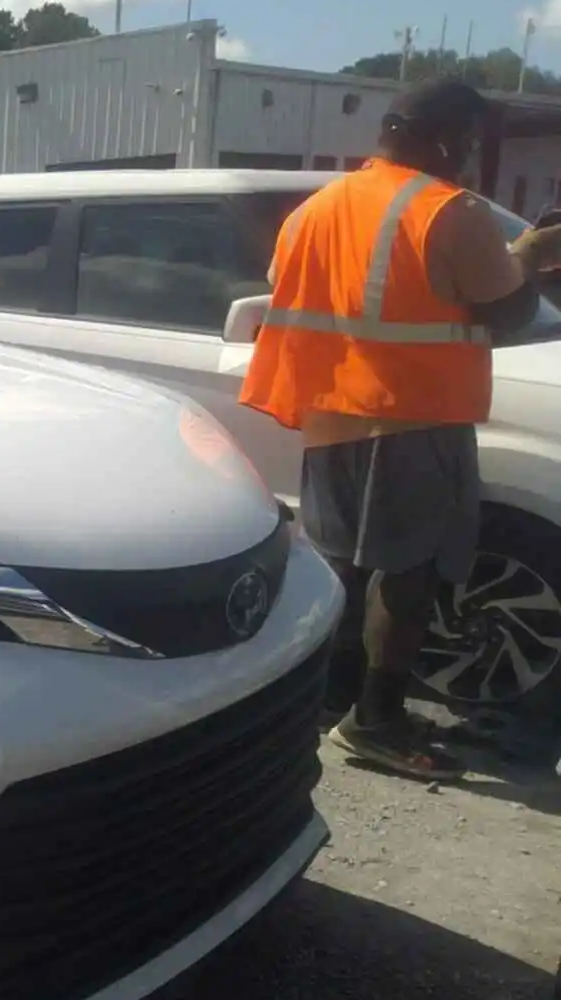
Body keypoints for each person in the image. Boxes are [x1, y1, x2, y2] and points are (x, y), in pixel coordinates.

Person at [239, 78, 561, 780]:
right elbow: (507, 315)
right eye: (469, 143)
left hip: (330, 417)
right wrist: (530, 257)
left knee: (340, 569)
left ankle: (325, 699)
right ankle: (377, 722)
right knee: (407, 571)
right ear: (446, 139)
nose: (471, 158)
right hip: (414, 415)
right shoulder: (452, 211)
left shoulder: (314, 210)